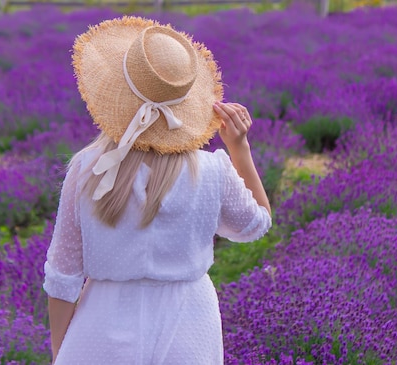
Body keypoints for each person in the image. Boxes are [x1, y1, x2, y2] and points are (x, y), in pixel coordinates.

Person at [42, 15, 272, 365]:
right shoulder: (213, 170)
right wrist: (240, 148)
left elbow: (63, 276)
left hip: (102, 325)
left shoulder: (88, 169)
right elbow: (256, 224)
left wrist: (62, 353)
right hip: (188, 326)